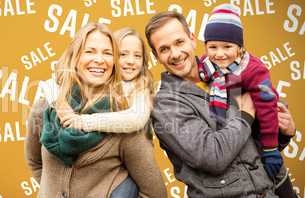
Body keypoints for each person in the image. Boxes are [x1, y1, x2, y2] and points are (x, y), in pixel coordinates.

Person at [145, 10, 295, 197]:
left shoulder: (224, 69)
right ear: (156, 56)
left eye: (179, 42)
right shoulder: (165, 105)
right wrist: (247, 112)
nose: (175, 54)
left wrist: (285, 133)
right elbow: (212, 157)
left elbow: (252, 148)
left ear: (192, 39)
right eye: (164, 49)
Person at [24, 22, 167, 198]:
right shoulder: (44, 108)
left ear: (113, 63)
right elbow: (35, 162)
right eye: (90, 51)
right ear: (75, 57)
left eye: (107, 53)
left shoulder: (123, 119)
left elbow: (155, 193)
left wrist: (84, 122)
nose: (99, 59)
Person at [199, 3, 283, 180]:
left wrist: (270, 147)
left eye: (227, 47)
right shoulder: (206, 62)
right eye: (213, 47)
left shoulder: (253, 70)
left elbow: (267, 107)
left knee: (273, 173)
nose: (219, 54)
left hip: (262, 122)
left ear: (239, 47)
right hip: (234, 124)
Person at [58, 27, 156, 145]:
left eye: (138, 56)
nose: (131, 61)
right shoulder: (102, 81)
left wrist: (85, 122)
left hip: (137, 152)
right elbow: (55, 82)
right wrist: (59, 100)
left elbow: (137, 119)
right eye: (123, 54)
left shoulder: (140, 86)